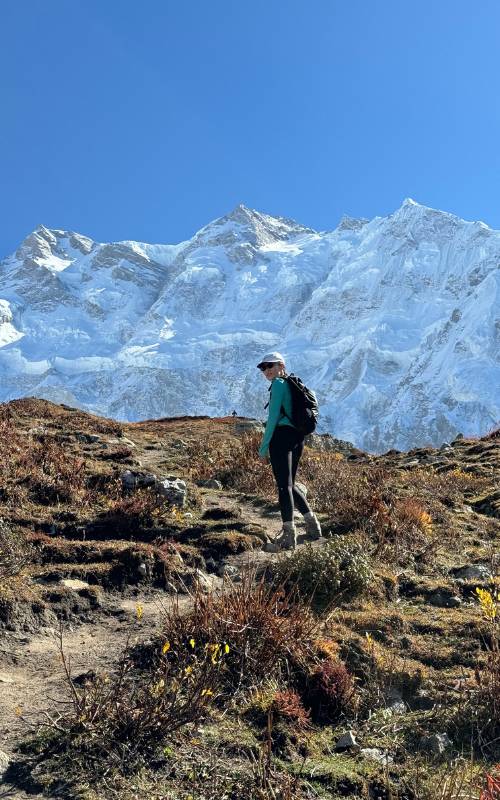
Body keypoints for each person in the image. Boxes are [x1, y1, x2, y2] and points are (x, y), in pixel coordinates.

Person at [257, 351, 322, 550]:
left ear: (281, 366)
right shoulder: (294, 385)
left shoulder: (278, 385)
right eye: (263, 367)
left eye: (270, 365)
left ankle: (288, 535)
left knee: (284, 487)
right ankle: (313, 526)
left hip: (281, 438)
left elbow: (273, 417)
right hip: (297, 437)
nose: (266, 370)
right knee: (291, 484)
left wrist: (263, 447)